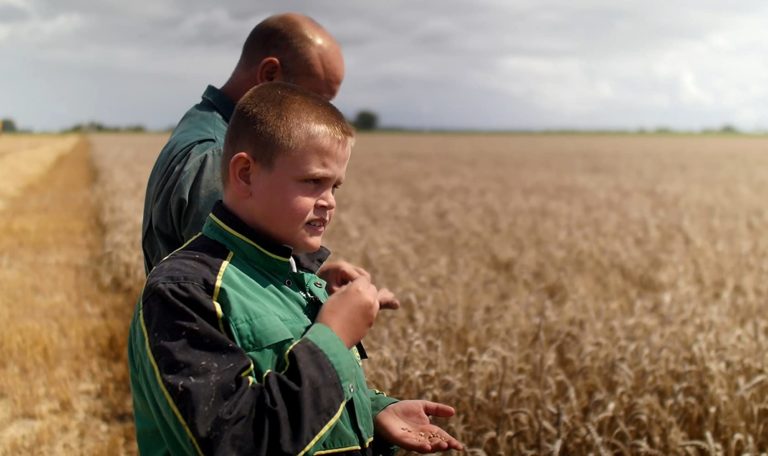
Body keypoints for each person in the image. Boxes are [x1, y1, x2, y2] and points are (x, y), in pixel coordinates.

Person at [128, 82, 463, 455]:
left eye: (335, 186)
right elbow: (236, 442)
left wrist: (372, 411)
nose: (329, 202)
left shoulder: (297, 278)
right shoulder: (183, 291)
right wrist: (332, 338)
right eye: (313, 182)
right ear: (245, 174)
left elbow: (285, 392)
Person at [140, 13, 396, 309]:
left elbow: (249, 266)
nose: (320, 114)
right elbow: (229, 291)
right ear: (271, 75)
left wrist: (311, 278)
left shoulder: (207, 125)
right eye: (315, 99)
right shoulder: (216, 155)